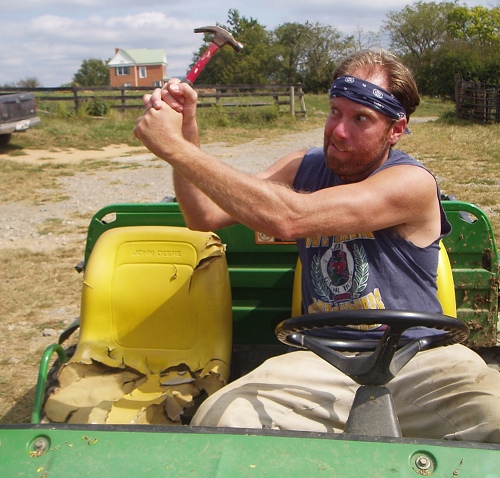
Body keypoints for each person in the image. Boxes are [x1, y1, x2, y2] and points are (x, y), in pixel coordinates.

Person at [134, 50, 500, 443]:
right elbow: (203, 216)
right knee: (222, 417)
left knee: (493, 416)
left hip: (421, 359)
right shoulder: (302, 167)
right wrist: (187, 130)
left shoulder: (411, 183)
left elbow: (290, 218)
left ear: (396, 129)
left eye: (360, 118)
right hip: (322, 361)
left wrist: (173, 147)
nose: (339, 131)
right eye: (334, 112)